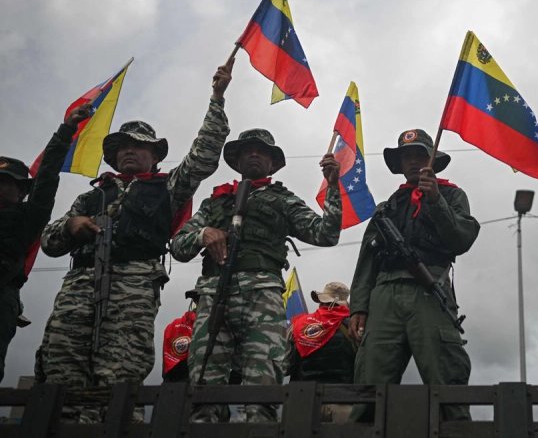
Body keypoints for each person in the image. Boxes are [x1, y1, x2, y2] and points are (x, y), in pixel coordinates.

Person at [37, 61, 234, 422]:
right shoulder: (92, 195)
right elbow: (49, 242)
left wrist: (217, 98)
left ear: (155, 155)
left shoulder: (168, 188)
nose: (129, 151)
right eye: (122, 147)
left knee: (120, 375)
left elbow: (203, 156)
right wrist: (71, 225)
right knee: (62, 370)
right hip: (79, 286)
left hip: (134, 286)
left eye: (139, 146)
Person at [171, 128, 342, 422]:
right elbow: (177, 246)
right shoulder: (214, 203)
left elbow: (325, 234)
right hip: (213, 296)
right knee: (203, 392)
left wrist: (334, 186)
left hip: (262, 297)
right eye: (247, 150)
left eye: (261, 151)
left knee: (262, 393)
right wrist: (203, 234)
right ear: (236, 160)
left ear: (272, 163)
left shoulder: (283, 200)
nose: (253, 154)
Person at [349, 129, 479, 421]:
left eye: (420, 155)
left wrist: (435, 201)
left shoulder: (452, 195)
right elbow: (367, 260)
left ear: (432, 160)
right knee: (370, 381)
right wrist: (358, 306)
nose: (413, 161)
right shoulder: (387, 207)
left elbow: (461, 239)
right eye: (406, 156)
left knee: (446, 383)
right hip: (384, 294)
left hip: (430, 289)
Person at [0, 104, 92, 382]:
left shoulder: (27, 216)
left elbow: (48, 173)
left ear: (20, 190)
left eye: (5, 182)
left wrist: (66, 130)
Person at [285, 281, 357, 423]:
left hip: (303, 402)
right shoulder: (355, 328)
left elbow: (285, 367)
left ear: (322, 302)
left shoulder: (298, 326)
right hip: (344, 403)